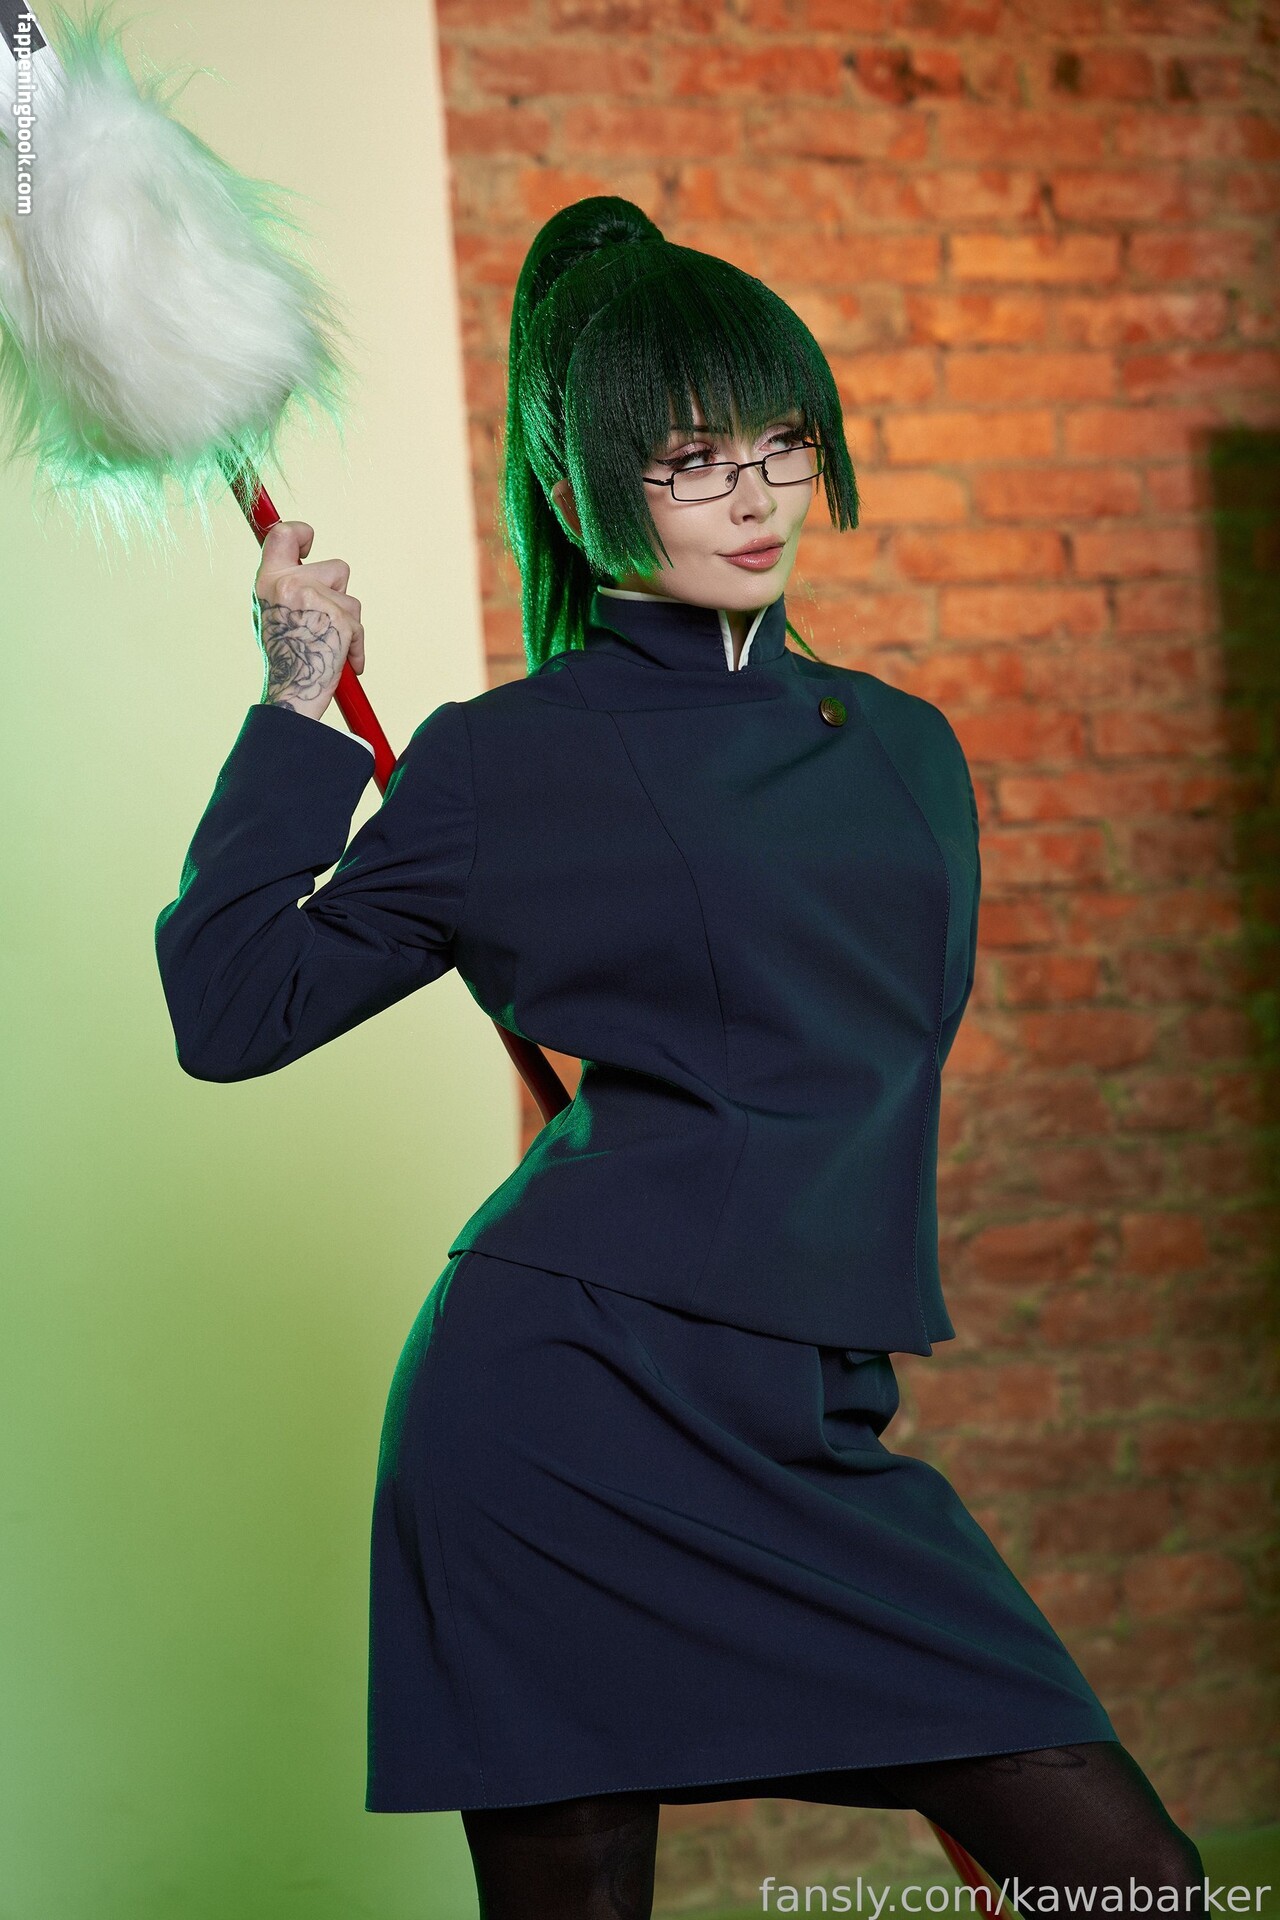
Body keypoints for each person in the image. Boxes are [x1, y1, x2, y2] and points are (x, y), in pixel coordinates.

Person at [155, 197, 1206, 1919]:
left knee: (1134, 1885)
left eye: (781, 443)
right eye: (691, 458)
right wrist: (294, 705)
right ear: (580, 492)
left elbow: (841, 1087)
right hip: (556, 1422)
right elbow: (233, 1010)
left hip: (801, 1413)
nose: (755, 495)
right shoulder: (503, 764)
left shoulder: (909, 749)